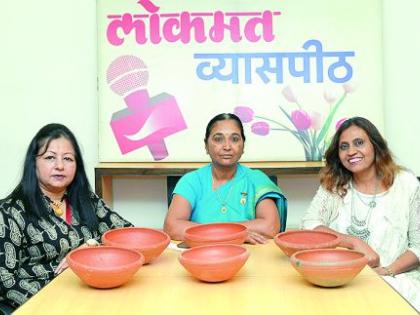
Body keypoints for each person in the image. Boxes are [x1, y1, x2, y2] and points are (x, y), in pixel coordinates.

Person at [0, 123, 132, 311]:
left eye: (68, 159)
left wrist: (90, 247)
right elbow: (5, 281)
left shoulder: (87, 200)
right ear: (33, 163)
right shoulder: (9, 212)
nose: (60, 166)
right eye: (50, 157)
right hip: (46, 305)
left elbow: (128, 235)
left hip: (94, 297)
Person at [301, 117, 420, 310]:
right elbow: (309, 224)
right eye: (344, 146)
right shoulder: (334, 184)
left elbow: (418, 247)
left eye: (359, 143)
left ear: (375, 145)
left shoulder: (406, 184)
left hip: (395, 279)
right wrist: (353, 242)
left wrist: (386, 272)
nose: (351, 152)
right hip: (341, 280)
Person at [164, 113, 287, 244]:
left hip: (249, 255)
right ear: (206, 145)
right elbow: (172, 227)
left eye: (234, 139)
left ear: (243, 145)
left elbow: (270, 227)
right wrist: (233, 234)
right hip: (201, 253)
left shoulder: (256, 179)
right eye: (218, 139)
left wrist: (210, 233)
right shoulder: (191, 181)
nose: (227, 146)